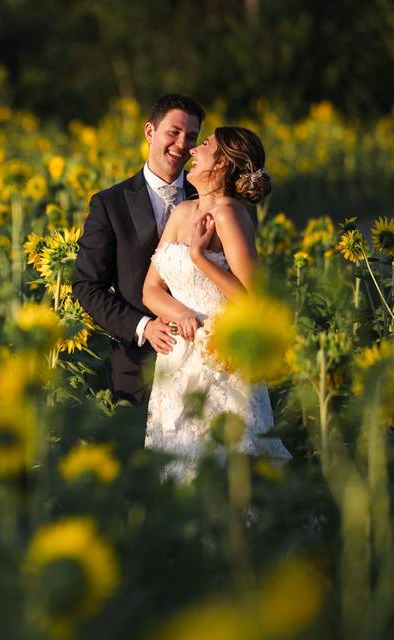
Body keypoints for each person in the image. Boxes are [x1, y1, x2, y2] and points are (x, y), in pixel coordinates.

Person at [141, 126, 291, 481]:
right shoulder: (180, 213)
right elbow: (151, 289)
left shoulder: (229, 214)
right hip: (175, 360)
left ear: (222, 162)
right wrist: (178, 312)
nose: (193, 150)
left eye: (204, 145)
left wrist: (200, 256)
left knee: (226, 466)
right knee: (177, 463)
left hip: (222, 358)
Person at [74, 94, 204, 406]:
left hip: (201, 359)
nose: (181, 145)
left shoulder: (208, 197)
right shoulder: (110, 204)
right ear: (150, 132)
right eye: (173, 132)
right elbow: (87, 286)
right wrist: (143, 326)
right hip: (138, 361)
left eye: (191, 137)